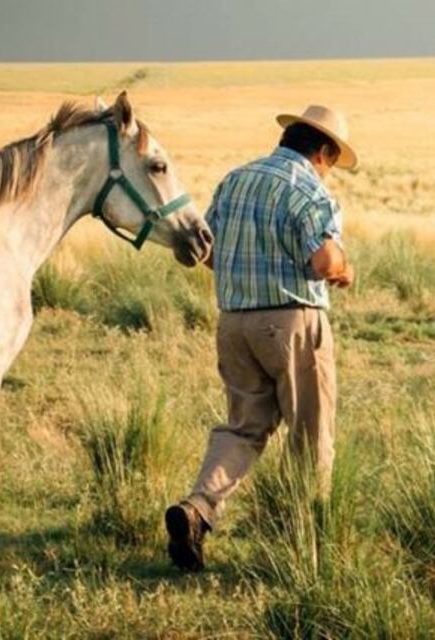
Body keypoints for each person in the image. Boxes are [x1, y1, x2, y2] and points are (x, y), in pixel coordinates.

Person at [165, 105, 357, 571]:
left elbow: (207, 252)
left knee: (243, 428)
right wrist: (344, 269)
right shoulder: (307, 187)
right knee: (311, 433)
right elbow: (324, 262)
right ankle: (305, 541)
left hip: (234, 323)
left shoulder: (236, 179)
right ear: (324, 151)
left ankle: (198, 509)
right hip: (293, 321)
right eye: (332, 160)